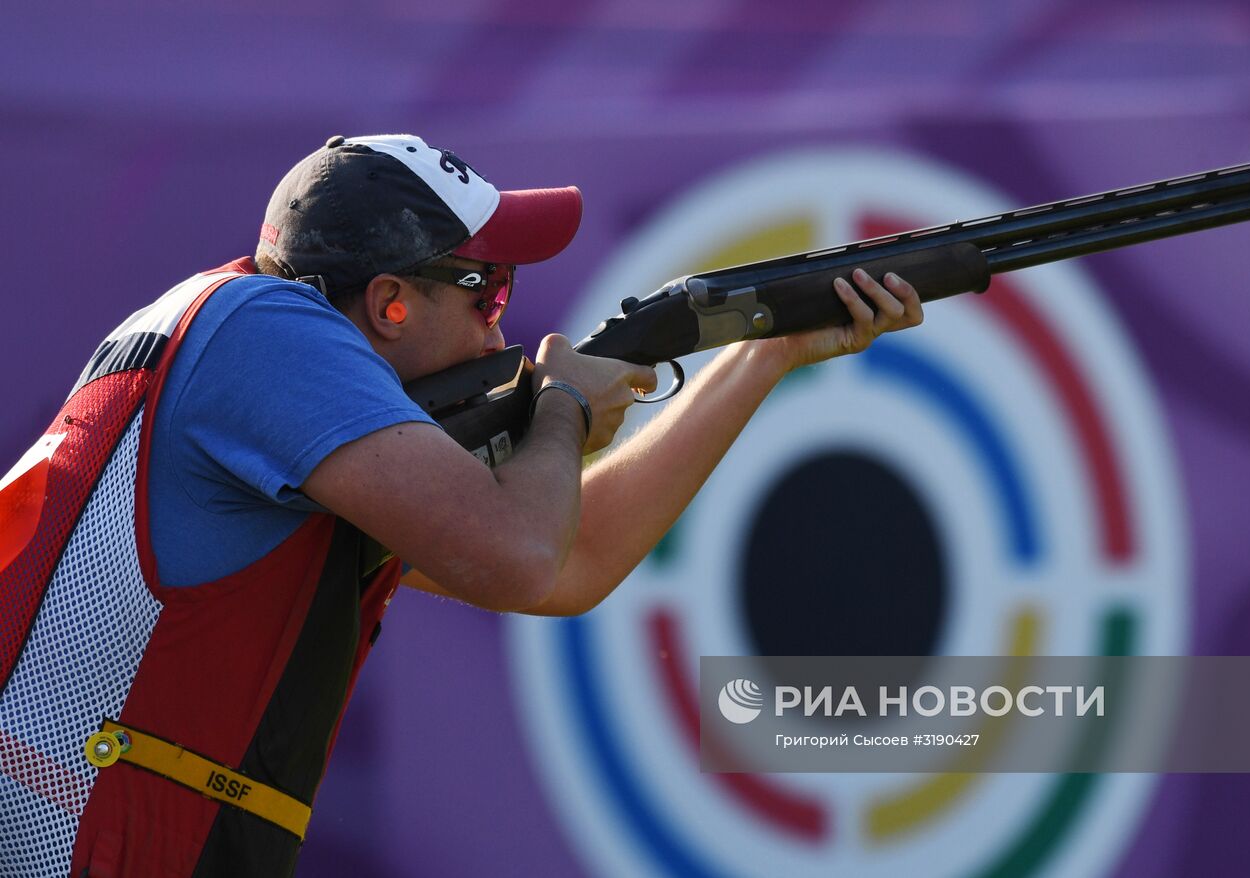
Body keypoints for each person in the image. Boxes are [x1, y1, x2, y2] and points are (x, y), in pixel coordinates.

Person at [0, 134, 923, 877]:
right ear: (390, 304)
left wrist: (761, 356)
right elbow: (521, 554)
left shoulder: (249, 356)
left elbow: (570, 564)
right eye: (489, 291)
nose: (504, 327)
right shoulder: (269, 331)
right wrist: (560, 407)